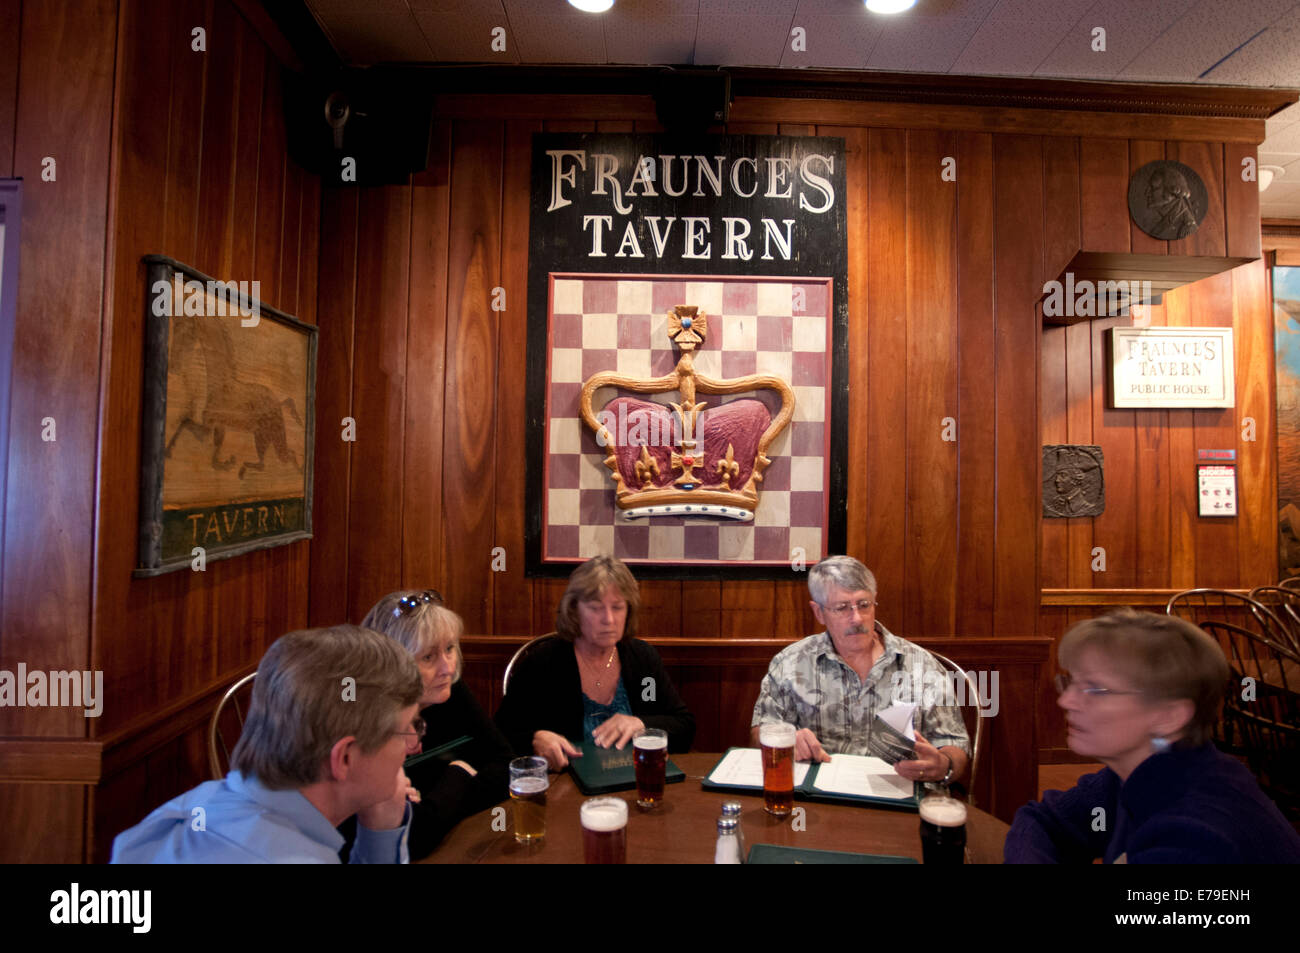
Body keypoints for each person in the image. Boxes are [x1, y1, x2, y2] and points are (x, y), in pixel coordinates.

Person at [1005, 610, 1300, 864]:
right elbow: (1042, 821)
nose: (1066, 701)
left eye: (1096, 689)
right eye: (1071, 683)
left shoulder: (1195, 837)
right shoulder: (1138, 774)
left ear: (1169, 716)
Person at [111, 625, 423, 863]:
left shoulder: (193, 806)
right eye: (407, 728)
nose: (412, 743)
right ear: (344, 758)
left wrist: (380, 831)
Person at [750, 555, 970, 785]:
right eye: (841, 608)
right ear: (819, 612)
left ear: (874, 600)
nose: (857, 618)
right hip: (819, 798)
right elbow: (759, 733)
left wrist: (943, 764)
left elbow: (955, 745)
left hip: (901, 799)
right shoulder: (790, 662)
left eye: (864, 605)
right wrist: (785, 740)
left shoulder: (921, 665)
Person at [495, 555, 695, 770]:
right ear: (574, 611)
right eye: (595, 608)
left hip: (637, 779)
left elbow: (683, 725)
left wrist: (642, 724)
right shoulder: (543, 664)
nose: (608, 619)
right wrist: (534, 739)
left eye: (617, 607)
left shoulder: (643, 661)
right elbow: (499, 735)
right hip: (565, 784)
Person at [359, 589, 513, 858]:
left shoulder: (449, 691)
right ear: (391, 664)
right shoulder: (368, 722)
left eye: (450, 649)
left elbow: (505, 768)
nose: (448, 668)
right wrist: (460, 774)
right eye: (428, 657)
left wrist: (436, 805)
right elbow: (413, 838)